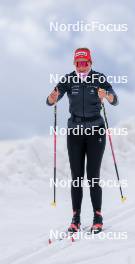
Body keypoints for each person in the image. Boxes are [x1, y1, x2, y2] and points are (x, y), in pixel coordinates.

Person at [46, 48, 118, 233]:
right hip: (75, 132)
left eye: (85, 63)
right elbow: (51, 99)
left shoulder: (99, 78)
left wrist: (107, 96)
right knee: (76, 177)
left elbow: (115, 99)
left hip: (96, 131)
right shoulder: (69, 79)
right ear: (74, 64)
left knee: (93, 176)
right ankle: (75, 218)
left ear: (91, 63)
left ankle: (98, 216)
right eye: (78, 63)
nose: (82, 67)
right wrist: (51, 98)